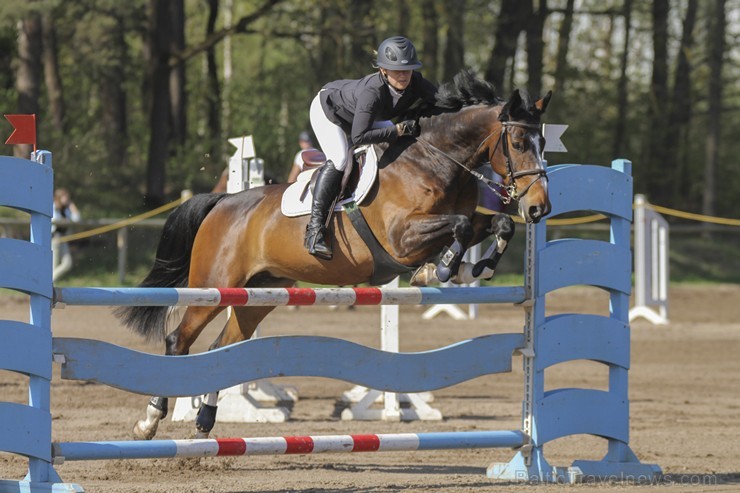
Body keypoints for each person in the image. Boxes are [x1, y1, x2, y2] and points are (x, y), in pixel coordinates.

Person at [305, 35, 438, 260]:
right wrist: (396, 131)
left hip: (366, 118)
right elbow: (359, 136)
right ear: (384, 70)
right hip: (329, 112)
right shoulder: (372, 91)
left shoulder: (416, 81)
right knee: (339, 159)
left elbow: (440, 99)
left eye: (408, 70)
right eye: (397, 71)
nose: (404, 76)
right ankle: (314, 230)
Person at [52, 188, 81, 281]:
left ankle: (49, 282)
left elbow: (77, 219)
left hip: (63, 238)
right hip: (55, 238)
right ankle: (49, 286)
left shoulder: (67, 210)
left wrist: (72, 207)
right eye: (65, 197)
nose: (67, 199)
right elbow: (55, 221)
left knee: (67, 264)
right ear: (59, 198)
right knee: (54, 264)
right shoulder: (53, 208)